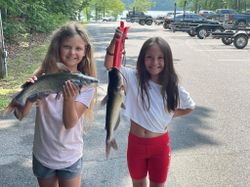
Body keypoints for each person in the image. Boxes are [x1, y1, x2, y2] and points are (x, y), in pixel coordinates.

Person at [104, 29, 195, 187]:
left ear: (167, 61)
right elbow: (110, 65)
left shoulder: (173, 87)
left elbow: (189, 107)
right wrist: (115, 43)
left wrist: (169, 114)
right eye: (149, 57)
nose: (154, 62)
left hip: (160, 146)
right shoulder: (132, 77)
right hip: (135, 145)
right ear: (142, 59)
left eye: (160, 58)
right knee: (138, 184)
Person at [17, 22, 97, 187]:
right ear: (57, 47)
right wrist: (30, 97)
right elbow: (19, 115)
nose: (72, 52)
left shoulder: (86, 86)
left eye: (78, 48)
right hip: (43, 156)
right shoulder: (43, 77)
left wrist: (69, 99)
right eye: (67, 47)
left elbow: (70, 123)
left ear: (85, 51)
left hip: (70, 156)